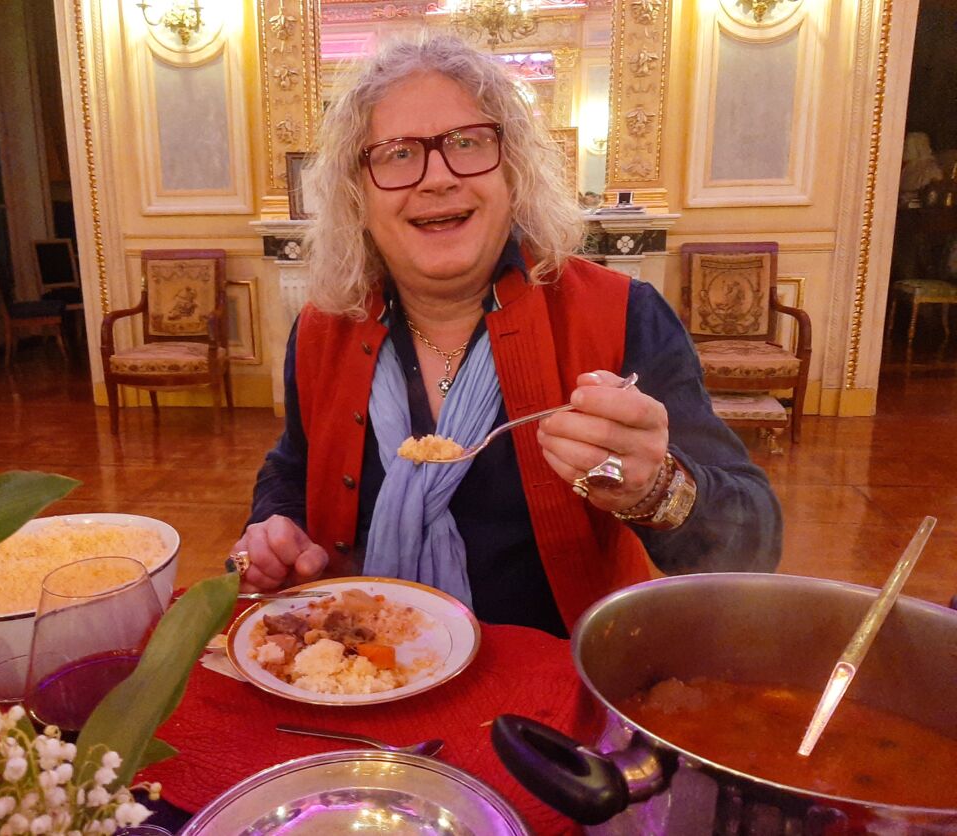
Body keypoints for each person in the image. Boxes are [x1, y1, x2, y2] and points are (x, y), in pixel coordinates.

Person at [233, 36, 781, 637]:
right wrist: (271, 527)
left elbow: (754, 542)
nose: (437, 178)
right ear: (356, 195)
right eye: (395, 155)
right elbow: (292, 465)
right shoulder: (323, 327)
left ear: (513, 172)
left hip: (553, 690)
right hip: (362, 671)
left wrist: (655, 488)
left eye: (469, 144)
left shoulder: (621, 315)